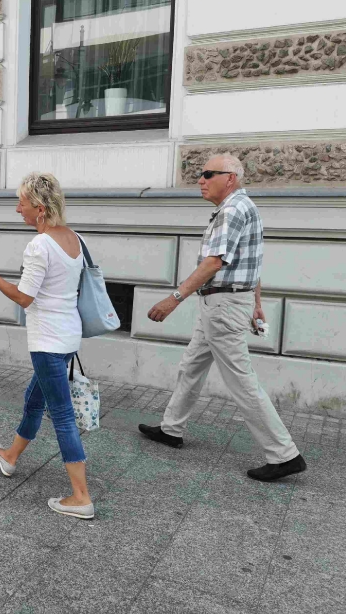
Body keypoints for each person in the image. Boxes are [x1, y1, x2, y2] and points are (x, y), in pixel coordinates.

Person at [139, 153, 306, 482]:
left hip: (223, 306)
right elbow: (250, 260)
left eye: (207, 174)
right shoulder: (243, 207)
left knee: (241, 381)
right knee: (192, 365)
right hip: (224, 303)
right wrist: (256, 303)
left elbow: (214, 262)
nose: (200, 180)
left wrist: (173, 299)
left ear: (230, 178)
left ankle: (284, 454)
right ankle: (171, 429)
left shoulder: (232, 210)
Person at [0, 172, 95, 519]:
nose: (18, 209)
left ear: (40, 209)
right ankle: (10, 456)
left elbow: (25, 297)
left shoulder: (40, 245)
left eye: (22, 203)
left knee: (62, 416)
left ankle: (81, 497)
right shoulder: (75, 238)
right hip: (67, 336)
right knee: (35, 398)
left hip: (48, 339)